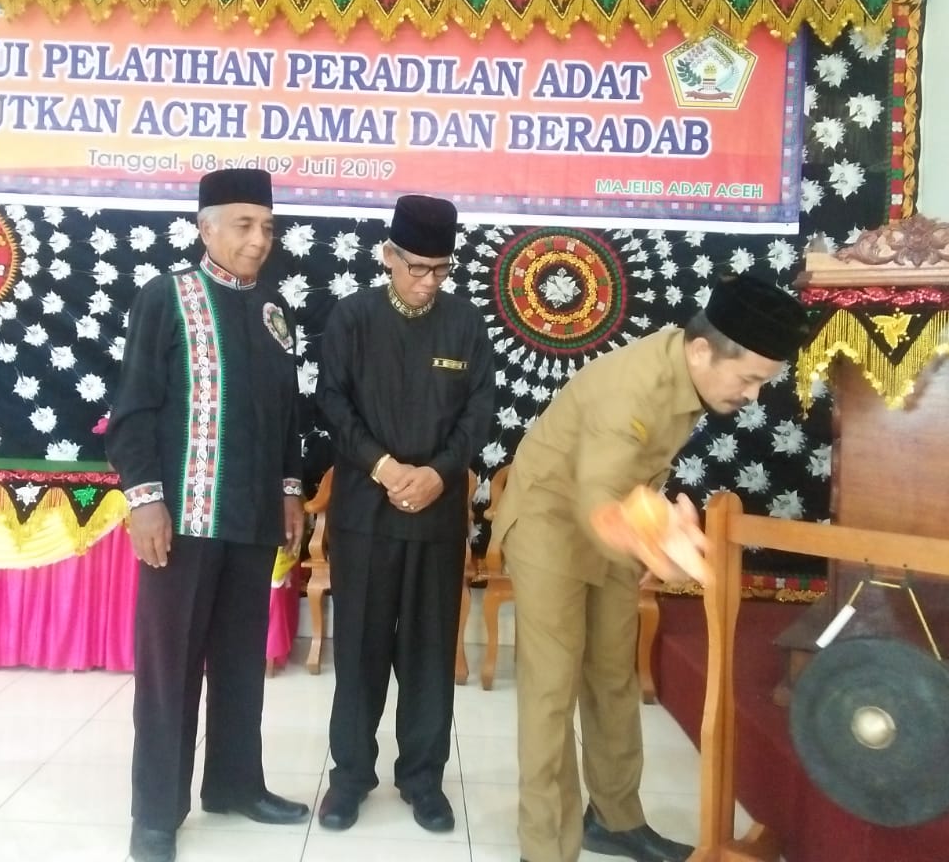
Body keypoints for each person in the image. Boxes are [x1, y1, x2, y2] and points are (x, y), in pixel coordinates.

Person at [491, 274, 810, 862]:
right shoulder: (632, 390)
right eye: (748, 379)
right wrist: (654, 539)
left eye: (763, 383)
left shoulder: (685, 367)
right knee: (551, 692)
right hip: (550, 523)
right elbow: (596, 493)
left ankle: (615, 821)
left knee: (613, 676)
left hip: (616, 519)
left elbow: (622, 483)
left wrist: (646, 538)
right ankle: (545, 846)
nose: (754, 396)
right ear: (703, 350)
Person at [106, 168, 309, 862]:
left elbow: (287, 415)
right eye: (245, 225)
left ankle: (235, 784)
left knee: (240, 664)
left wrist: (290, 490)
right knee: (170, 672)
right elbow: (134, 408)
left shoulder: (275, 311)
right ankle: (156, 813)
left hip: (251, 524)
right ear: (206, 227)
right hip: (183, 524)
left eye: (268, 227)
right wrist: (145, 501)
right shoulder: (166, 297)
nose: (259, 240)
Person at [314, 194, 496, 833]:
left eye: (441, 269)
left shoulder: (465, 324)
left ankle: (423, 779)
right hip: (366, 514)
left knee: (428, 655)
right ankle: (349, 778)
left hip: (436, 518)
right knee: (360, 652)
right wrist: (385, 468)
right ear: (388, 255)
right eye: (417, 267)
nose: (428, 281)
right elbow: (333, 402)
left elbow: (479, 411)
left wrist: (438, 473)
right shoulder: (353, 317)